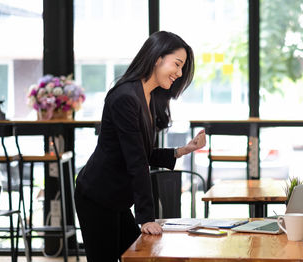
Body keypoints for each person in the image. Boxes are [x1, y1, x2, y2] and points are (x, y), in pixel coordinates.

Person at [74, 31, 206, 262]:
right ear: (157, 58)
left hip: (117, 197)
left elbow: (143, 152)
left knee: (139, 256)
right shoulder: (126, 96)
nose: (179, 72)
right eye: (177, 64)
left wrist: (183, 150)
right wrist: (146, 218)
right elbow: (136, 161)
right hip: (97, 194)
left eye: (182, 67)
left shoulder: (148, 96)